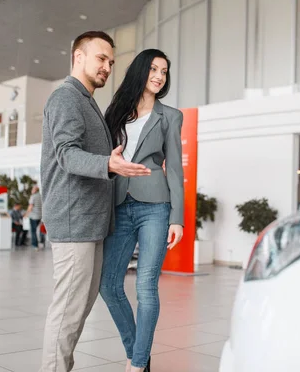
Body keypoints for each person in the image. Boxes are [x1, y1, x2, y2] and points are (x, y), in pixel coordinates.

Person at [39, 31, 151, 372]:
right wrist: (108, 163)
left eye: (111, 62)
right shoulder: (66, 98)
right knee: (68, 312)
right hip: (74, 222)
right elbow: (67, 155)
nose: (107, 66)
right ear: (78, 57)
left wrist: (111, 161)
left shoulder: (86, 101)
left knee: (77, 311)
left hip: (89, 223)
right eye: (101, 58)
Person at [100, 49, 184, 372]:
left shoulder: (171, 116)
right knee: (108, 284)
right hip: (120, 202)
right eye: (153, 69)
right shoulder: (116, 111)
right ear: (140, 71)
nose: (159, 76)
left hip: (156, 206)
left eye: (164, 71)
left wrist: (176, 217)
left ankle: (136, 366)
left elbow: (174, 169)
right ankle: (139, 353)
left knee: (146, 284)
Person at [25, 185, 43, 250]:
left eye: (32, 189)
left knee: (33, 231)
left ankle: (35, 245)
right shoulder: (41, 196)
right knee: (37, 231)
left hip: (33, 216)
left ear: (35, 190)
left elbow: (30, 206)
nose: (31, 190)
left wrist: (26, 214)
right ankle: (38, 244)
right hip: (39, 216)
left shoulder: (33, 196)